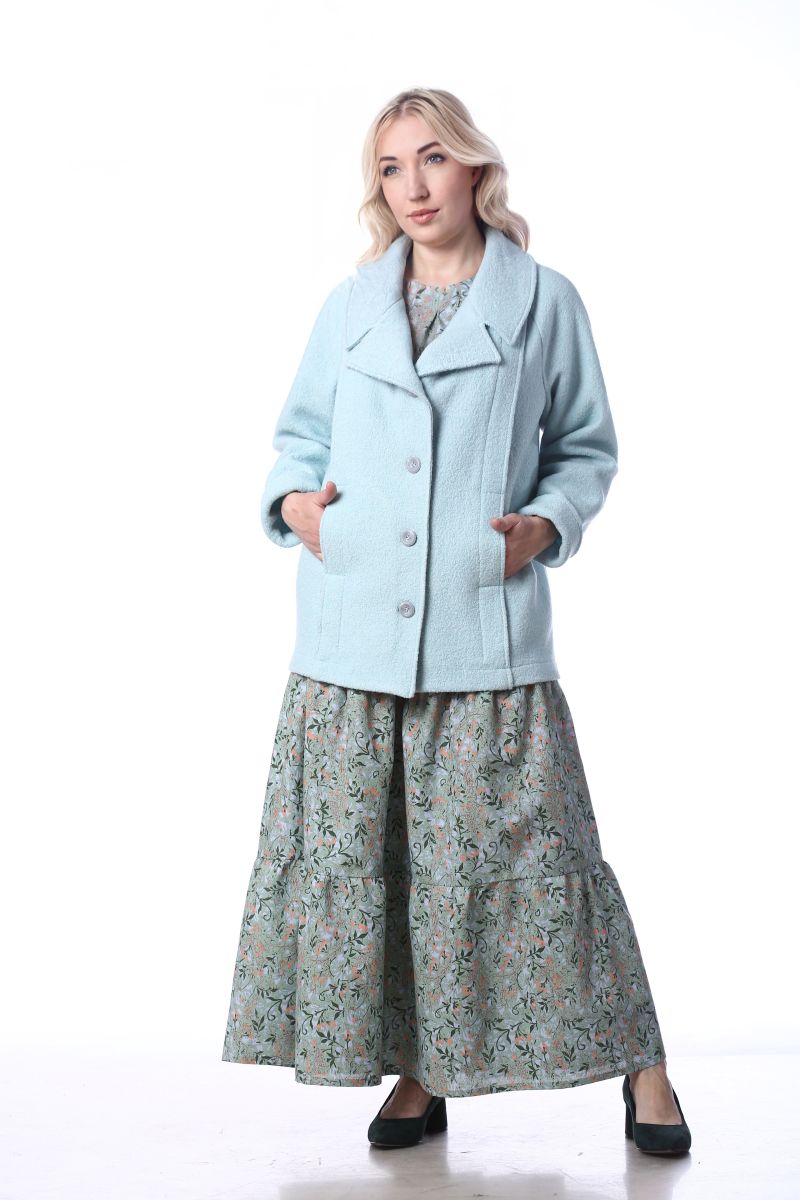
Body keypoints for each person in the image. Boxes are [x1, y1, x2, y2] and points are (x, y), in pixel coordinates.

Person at [221, 87, 692, 1156]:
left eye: (432, 158)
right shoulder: (350, 305)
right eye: (391, 167)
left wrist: (543, 526)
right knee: (389, 878)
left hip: (484, 639)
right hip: (350, 646)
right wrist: (295, 505)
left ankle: (646, 1069)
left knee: (543, 865)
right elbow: (299, 438)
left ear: (475, 166)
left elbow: (585, 446)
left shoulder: (542, 301)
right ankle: (419, 1073)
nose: (413, 185)